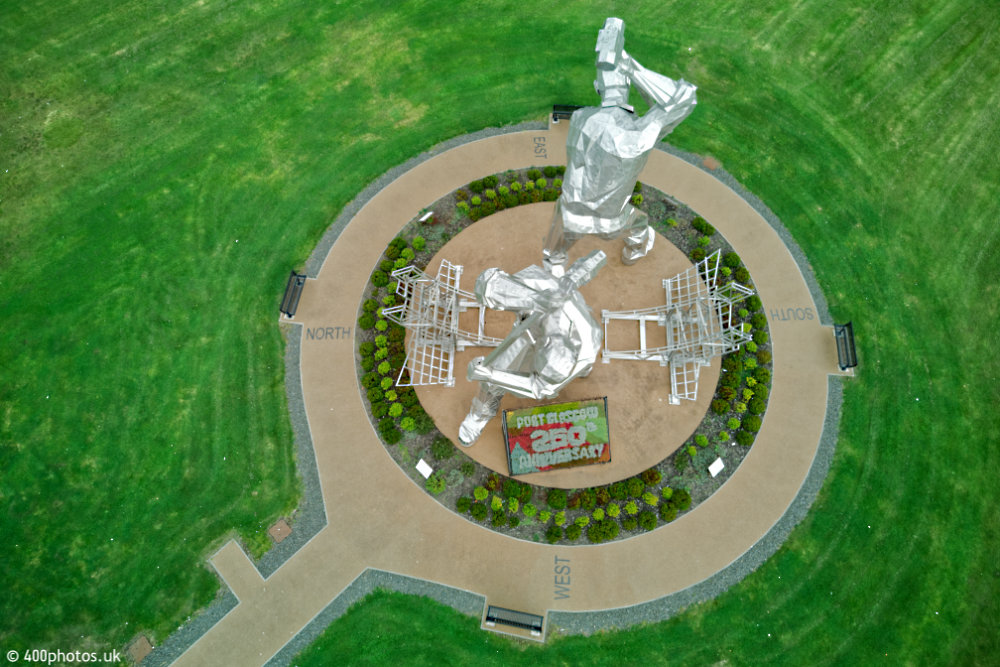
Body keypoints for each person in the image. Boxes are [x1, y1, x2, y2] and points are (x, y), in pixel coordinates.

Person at [543, 17, 698, 276]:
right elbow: (683, 100)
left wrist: (618, 66)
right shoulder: (638, 134)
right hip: (611, 220)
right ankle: (633, 251)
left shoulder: (580, 119)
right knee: (640, 226)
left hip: (570, 212)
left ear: (596, 88)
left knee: (553, 252)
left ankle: (554, 274)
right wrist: (628, 65)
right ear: (627, 85)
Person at [458, 251, 606, 446]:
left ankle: (478, 418)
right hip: (547, 326)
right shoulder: (533, 280)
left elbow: (537, 387)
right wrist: (571, 277)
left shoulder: (557, 351)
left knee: (491, 384)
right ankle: (584, 369)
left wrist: (490, 374)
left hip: (569, 348)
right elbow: (597, 257)